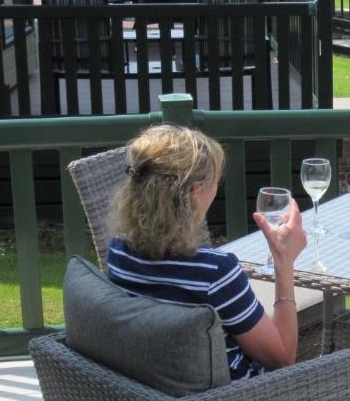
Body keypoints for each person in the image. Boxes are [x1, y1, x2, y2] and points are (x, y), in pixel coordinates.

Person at [107, 124, 306, 379]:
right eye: (217, 179)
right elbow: (282, 359)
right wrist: (283, 260)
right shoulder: (215, 274)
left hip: (155, 394)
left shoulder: (119, 252)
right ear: (195, 191)